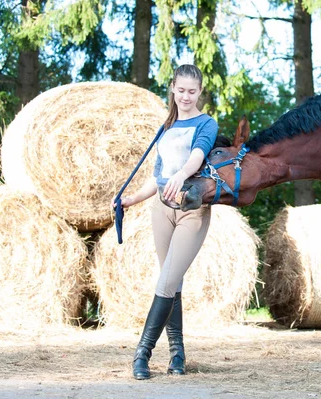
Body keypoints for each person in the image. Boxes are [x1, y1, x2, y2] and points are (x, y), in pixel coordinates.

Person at [113, 64, 218, 380]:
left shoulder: (206, 123)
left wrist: (182, 174)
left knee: (166, 281)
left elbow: (197, 157)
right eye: (181, 90)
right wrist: (132, 199)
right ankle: (177, 356)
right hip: (161, 208)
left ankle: (141, 355)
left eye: (192, 91)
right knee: (172, 283)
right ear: (173, 88)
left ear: (199, 91)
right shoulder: (166, 127)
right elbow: (157, 176)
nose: (186, 96)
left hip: (191, 209)